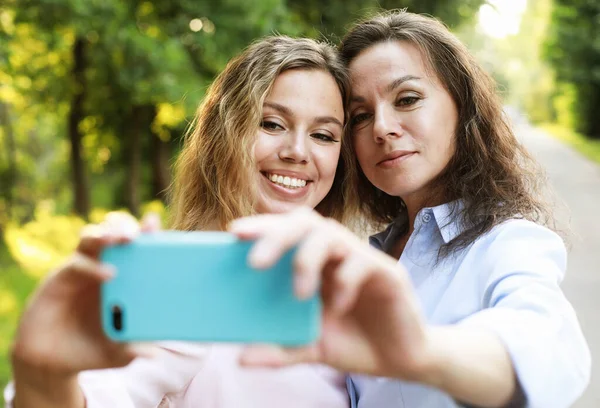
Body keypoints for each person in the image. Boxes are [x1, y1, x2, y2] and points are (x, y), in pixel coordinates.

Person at [229, 10, 592, 408]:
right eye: (361, 116)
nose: (382, 128)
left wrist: (423, 352)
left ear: (462, 107)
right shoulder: (364, 256)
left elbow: (546, 350)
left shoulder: (509, 243)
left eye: (407, 99)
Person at [6, 36, 357, 408]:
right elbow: (105, 392)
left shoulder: (352, 275)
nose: (297, 152)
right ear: (225, 133)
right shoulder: (183, 281)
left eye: (323, 135)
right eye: (271, 124)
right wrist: (44, 376)